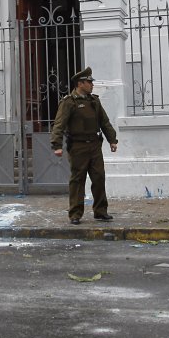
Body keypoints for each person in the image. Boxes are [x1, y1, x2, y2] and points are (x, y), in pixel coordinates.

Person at [49, 67, 118, 225]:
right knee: (78, 180)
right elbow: (59, 124)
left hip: (94, 146)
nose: (92, 85)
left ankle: (100, 211)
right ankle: (75, 214)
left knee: (99, 178)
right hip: (78, 147)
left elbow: (104, 122)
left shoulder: (94, 101)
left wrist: (112, 140)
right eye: (89, 82)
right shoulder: (69, 102)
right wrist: (56, 145)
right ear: (80, 84)